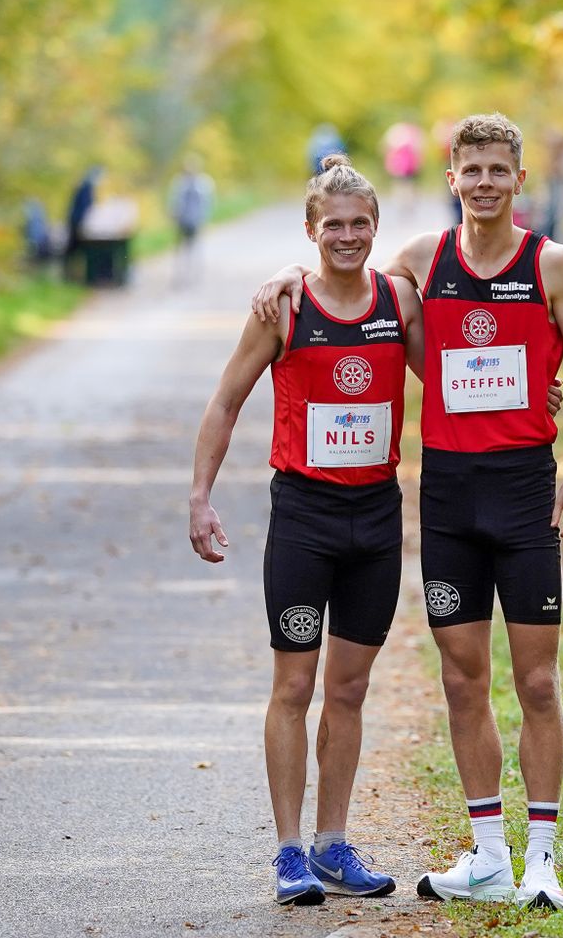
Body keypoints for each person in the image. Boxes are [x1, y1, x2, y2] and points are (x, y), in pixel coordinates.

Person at [253, 113, 563, 912]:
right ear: (450, 179)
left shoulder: (552, 264)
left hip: (523, 491)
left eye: (498, 170)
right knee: (461, 678)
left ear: (519, 179)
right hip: (446, 495)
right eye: (471, 169)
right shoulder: (422, 260)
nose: (484, 182)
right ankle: (487, 855)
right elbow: (342, 272)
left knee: (540, 682)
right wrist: (280, 275)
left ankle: (542, 860)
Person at [188, 156, 413, 907]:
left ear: (376, 229)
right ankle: (288, 854)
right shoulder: (283, 310)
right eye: (333, 225)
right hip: (306, 520)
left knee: (348, 689)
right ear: (311, 230)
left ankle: (332, 845)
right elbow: (224, 402)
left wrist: (543, 382)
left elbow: (457, 374)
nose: (347, 236)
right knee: (294, 684)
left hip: (377, 519)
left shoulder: (399, 305)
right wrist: (200, 497)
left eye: (360, 224)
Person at [168, 157, 216, 284]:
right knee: (182, 249)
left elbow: (207, 204)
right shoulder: (180, 182)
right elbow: (175, 202)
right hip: (182, 221)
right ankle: (181, 275)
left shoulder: (203, 183)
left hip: (195, 221)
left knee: (195, 248)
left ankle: (194, 275)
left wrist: (205, 220)